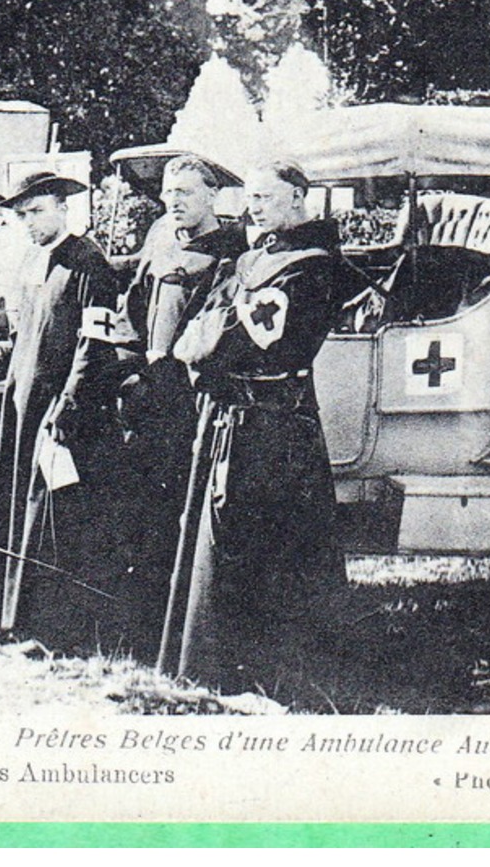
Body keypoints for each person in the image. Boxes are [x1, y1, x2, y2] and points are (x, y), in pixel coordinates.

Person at [164, 158, 352, 689]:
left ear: (297, 199)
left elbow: (238, 338)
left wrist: (208, 342)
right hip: (236, 419)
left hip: (276, 428)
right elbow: (201, 324)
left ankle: (268, 676)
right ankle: (218, 669)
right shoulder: (255, 258)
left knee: (270, 551)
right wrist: (206, 339)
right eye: (251, 198)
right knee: (224, 542)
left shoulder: (312, 265)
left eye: (266, 198)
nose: (254, 207)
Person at [0, 170, 126, 654]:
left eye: (37, 211)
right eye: (23, 215)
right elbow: (25, 338)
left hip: (65, 414)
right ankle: (12, 622)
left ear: (64, 209)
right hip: (25, 404)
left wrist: (67, 407)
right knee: (21, 511)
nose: (30, 223)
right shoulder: (34, 261)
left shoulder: (89, 263)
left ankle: (58, 634)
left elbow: (94, 345)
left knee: (57, 521)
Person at [111, 154, 247, 656]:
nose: (175, 204)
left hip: (193, 397)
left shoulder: (235, 251)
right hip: (150, 390)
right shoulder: (161, 236)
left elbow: (219, 328)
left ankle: (178, 630)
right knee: (144, 505)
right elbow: (136, 299)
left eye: (186, 194)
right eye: (169, 195)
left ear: (213, 196)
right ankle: (143, 620)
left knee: (182, 509)